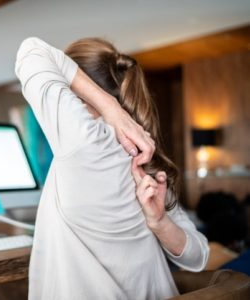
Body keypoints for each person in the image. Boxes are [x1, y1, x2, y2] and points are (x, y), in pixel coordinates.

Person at [15, 37, 209, 299]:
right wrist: (160, 222)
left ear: (76, 96)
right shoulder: (144, 159)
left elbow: (31, 50)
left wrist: (109, 106)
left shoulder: (84, 140)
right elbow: (199, 256)